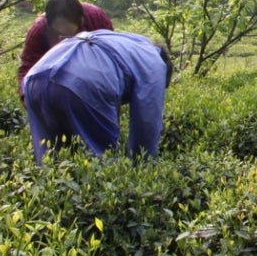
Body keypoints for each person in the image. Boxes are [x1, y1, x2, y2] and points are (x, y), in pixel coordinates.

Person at [22, 30, 173, 165]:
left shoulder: (131, 42)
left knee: (50, 159)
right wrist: (141, 165)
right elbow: (147, 122)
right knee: (101, 162)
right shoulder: (155, 63)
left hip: (35, 79)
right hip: (83, 83)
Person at [18, 0, 113, 99]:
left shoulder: (96, 17)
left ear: (81, 21)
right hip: (57, 81)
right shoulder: (39, 30)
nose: (66, 39)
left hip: (96, 74)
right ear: (49, 24)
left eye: (71, 34)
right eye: (60, 33)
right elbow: (28, 66)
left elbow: (110, 53)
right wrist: (26, 96)